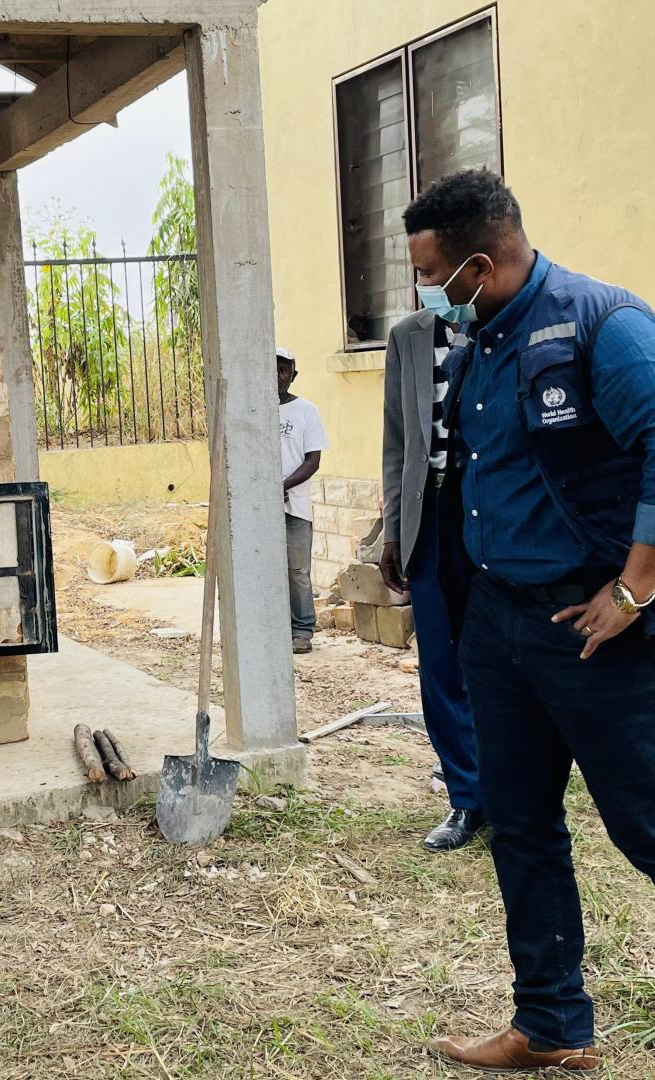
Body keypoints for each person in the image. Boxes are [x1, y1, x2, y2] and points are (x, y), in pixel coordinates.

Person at [403, 170, 655, 1073]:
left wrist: (633, 590)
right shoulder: (478, 348)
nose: (423, 292)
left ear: (479, 263)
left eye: (430, 273)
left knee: (646, 825)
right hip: (502, 628)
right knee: (520, 826)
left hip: (596, 631)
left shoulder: (603, 324)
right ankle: (550, 1023)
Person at [380, 309, 485, 852]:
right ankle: (467, 797)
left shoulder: (505, 319)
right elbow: (397, 442)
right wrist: (394, 531)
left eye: (432, 266)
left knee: (500, 660)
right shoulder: (407, 337)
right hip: (431, 516)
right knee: (439, 665)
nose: (427, 278)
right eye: (418, 269)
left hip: (493, 512)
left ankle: (516, 791)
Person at [277, 349, 329, 654]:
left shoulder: (306, 411)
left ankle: (302, 630)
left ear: (293, 376)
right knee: (266, 568)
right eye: (272, 369)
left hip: (294, 505)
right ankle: (275, 626)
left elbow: (312, 461)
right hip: (260, 507)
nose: (277, 376)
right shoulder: (254, 408)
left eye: (284, 370)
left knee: (297, 571)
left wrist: (282, 486)